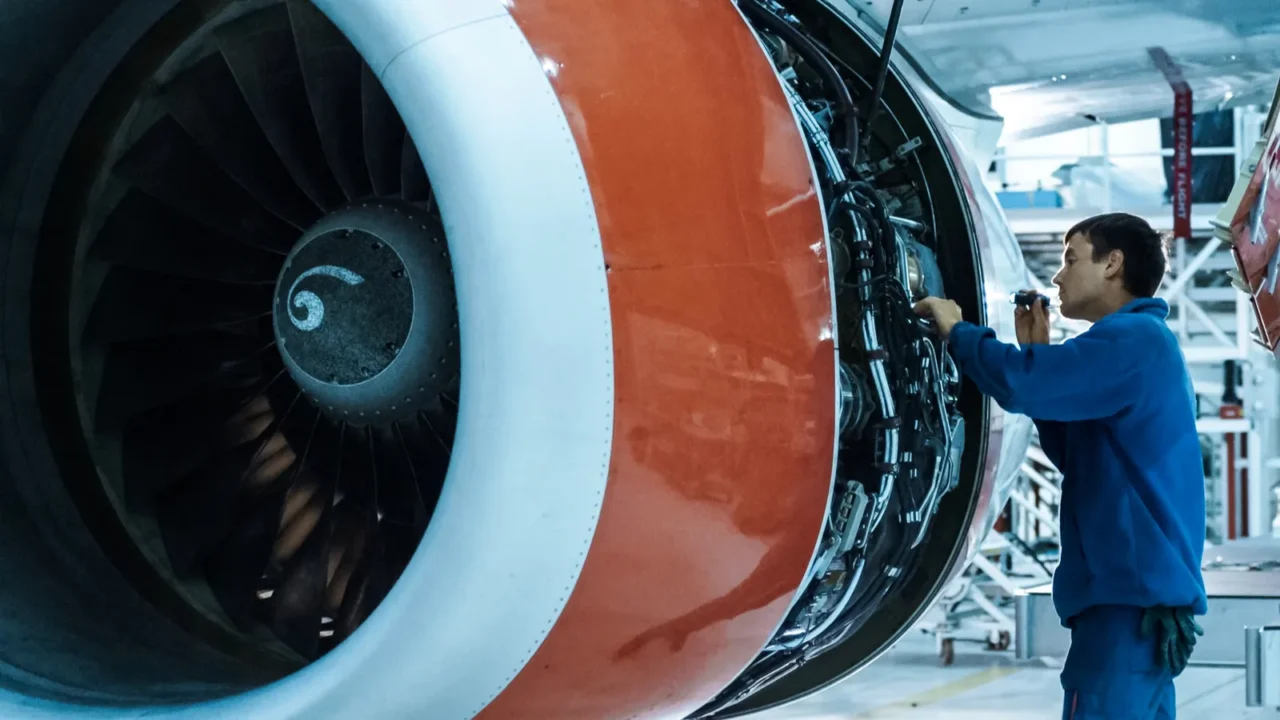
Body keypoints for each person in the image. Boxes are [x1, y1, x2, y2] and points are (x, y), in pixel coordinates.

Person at [912, 212, 1208, 719]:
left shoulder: (1131, 340)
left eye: (1071, 259)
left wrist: (958, 332)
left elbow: (1021, 386)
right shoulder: (1140, 344)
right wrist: (1037, 354)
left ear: (1113, 264)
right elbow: (1077, 452)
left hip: (1125, 607)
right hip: (1134, 605)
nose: (1056, 276)